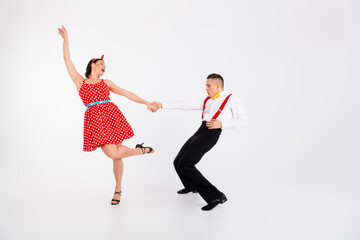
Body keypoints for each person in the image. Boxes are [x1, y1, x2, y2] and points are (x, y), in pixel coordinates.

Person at [58, 25, 158, 205]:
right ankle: (140, 150)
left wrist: (146, 103)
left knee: (117, 155)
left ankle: (118, 190)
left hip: (112, 116)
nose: (104, 67)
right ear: (93, 64)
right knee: (112, 153)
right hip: (96, 120)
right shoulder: (80, 81)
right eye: (102, 64)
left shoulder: (107, 82)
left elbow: (127, 93)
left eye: (105, 65)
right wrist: (66, 39)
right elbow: (67, 59)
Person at [153, 73, 247, 211]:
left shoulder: (232, 99)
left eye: (208, 85)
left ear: (217, 86)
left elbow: (243, 120)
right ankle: (191, 186)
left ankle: (216, 196)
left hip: (211, 134)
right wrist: (162, 105)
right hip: (200, 131)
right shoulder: (208, 100)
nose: (206, 88)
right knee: (177, 162)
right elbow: (186, 104)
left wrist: (222, 124)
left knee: (186, 165)